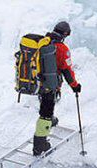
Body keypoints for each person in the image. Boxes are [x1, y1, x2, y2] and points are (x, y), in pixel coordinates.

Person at [33, 21, 82, 156]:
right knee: (46, 114)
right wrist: (75, 86)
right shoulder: (62, 48)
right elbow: (67, 70)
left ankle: (50, 120)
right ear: (65, 34)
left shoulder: (44, 42)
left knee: (45, 106)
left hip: (39, 83)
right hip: (49, 85)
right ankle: (40, 145)